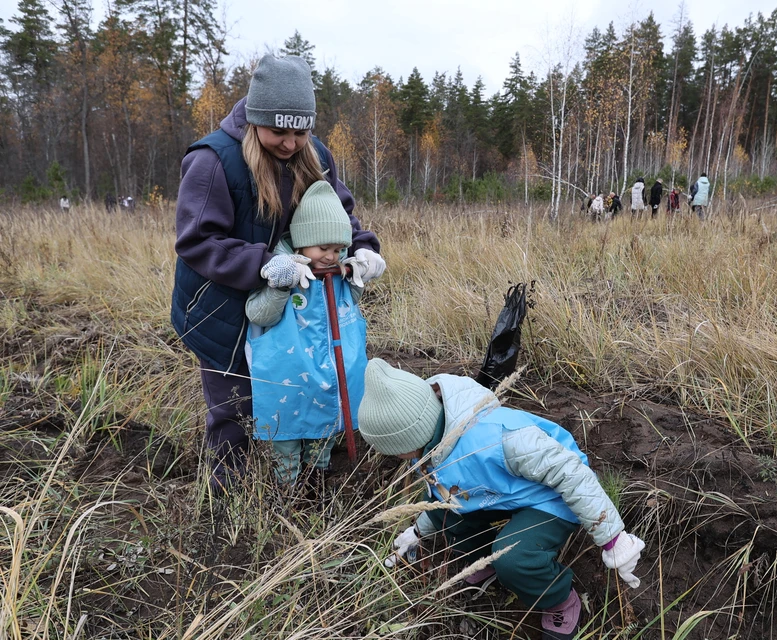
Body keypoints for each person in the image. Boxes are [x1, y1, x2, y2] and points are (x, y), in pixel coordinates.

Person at [170, 54, 384, 494]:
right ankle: (229, 502)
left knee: (295, 388)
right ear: (254, 119)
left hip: (288, 307)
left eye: (300, 131)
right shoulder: (214, 160)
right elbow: (196, 241)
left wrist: (363, 248)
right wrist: (263, 262)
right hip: (219, 307)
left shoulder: (316, 153)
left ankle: (300, 481)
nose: (290, 143)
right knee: (236, 409)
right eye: (278, 131)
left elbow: (337, 214)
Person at [357, 359, 647, 640]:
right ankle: (484, 561)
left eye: (394, 450)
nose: (395, 457)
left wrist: (612, 538)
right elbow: (439, 494)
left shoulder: (498, 437)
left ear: (410, 436)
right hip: (499, 494)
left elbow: (571, 474)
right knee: (446, 515)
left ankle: (558, 599)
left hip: (550, 497)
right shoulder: (427, 444)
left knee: (513, 556)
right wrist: (418, 531)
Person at [244, 180, 366, 489]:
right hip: (288, 378)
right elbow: (258, 314)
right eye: (323, 248)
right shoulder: (283, 273)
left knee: (323, 433)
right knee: (286, 440)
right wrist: (280, 285)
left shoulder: (339, 273)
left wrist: (356, 274)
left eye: (338, 249)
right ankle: (287, 494)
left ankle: (317, 487)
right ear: (301, 242)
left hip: (327, 375)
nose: (330, 256)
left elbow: (348, 308)